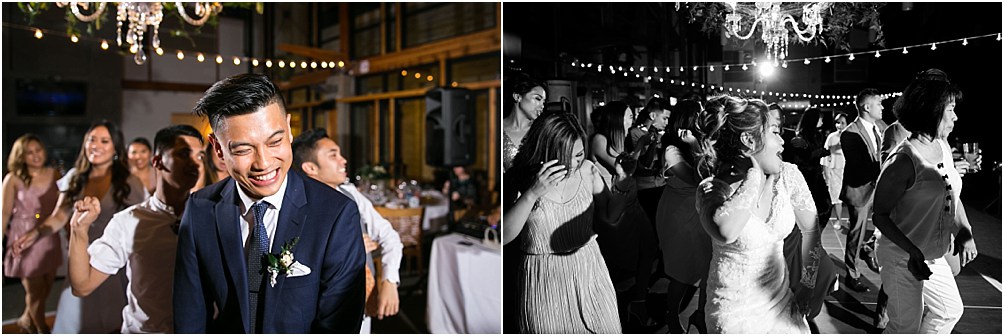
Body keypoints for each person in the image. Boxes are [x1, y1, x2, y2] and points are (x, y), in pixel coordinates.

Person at [173, 74, 365, 333]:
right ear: (218, 149)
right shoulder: (200, 209)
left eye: (275, 141)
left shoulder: (335, 214)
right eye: (243, 150)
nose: (263, 163)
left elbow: (339, 324)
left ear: (288, 128)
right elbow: (190, 317)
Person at [694, 96, 820, 333]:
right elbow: (726, 231)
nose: (783, 142)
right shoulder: (712, 189)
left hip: (782, 302)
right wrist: (755, 176)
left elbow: (811, 228)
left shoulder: (789, 176)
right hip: (734, 314)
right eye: (774, 132)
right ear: (748, 140)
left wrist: (808, 283)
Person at [503, 110, 634, 333]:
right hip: (544, 280)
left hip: (589, 270)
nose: (575, 162)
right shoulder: (521, 179)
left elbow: (610, 216)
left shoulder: (587, 171)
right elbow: (502, 236)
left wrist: (623, 181)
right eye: (569, 156)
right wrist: (532, 193)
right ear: (548, 151)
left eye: (580, 154)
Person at [66, 125, 204, 333]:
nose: (195, 163)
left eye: (200, 156)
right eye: (184, 154)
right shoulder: (127, 221)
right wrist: (79, 230)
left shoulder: (212, 216)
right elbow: (82, 285)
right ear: (157, 161)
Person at [13, 120, 147, 333]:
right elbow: (58, 216)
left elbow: (140, 226)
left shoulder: (130, 182)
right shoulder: (75, 177)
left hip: (114, 265)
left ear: (115, 148)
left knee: (112, 320)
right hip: (80, 257)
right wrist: (36, 233)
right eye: (92, 139)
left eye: (104, 141)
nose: (96, 145)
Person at [873, 68, 976, 333]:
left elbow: (950, 192)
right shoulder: (903, 160)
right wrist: (911, 250)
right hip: (901, 255)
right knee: (903, 326)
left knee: (948, 310)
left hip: (931, 253)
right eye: (950, 109)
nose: (955, 116)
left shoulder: (942, 146)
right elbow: (880, 215)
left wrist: (965, 231)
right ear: (932, 109)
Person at [291, 128, 403, 333]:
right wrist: (350, 247)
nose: (343, 160)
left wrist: (389, 280)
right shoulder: (297, 206)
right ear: (310, 168)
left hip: (360, 300)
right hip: (316, 311)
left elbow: (390, 237)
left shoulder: (351, 194)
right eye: (333, 155)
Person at [587, 101, 655, 331]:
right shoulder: (599, 139)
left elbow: (642, 165)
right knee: (619, 259)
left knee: (649, 248)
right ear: (617, 119)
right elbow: (625, 168)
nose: (632, 119)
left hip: (630, 201)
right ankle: (618, 309)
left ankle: (638, 300)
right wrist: (641, 145)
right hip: (612, 203)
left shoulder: (620, 141)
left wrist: (650, 147)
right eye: (628, 116)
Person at [655, 98, 711, 333]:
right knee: (683, 273)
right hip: (679, 216)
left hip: (699, 212)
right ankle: (671, 317)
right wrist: (697, 147)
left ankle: (700, 315)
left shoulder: (699, 143)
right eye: (699, 115)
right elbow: (699, 178)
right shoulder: (672, 150)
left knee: (709, 267)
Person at [783, 108, 839, 331]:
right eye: (819, 118)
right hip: (804, 189)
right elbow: (802, 160)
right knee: (804, 243)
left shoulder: (816, 136)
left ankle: (808, 276)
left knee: (814, 241)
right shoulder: (798, 139)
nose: (822, 122)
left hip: (816, 187)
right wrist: (816, 151)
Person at [3, 134, 62, 333]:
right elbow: (3, 213)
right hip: (22, 236)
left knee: (46, 286)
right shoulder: (12, 178)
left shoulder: (55, 174)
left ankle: (26, 320)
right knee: (34, 291)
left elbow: (63, 208)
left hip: (48, 234)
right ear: (21, 156)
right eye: (29, 152)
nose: (36, 155)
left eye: (38, 150)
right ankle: (42, 328)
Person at [840, 88, 888, 293]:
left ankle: (867, 249)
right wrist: (888, 166)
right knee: (855, 235)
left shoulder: (883, 127)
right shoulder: (849, 133)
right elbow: (860, 166)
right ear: (867, 107)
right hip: (860, 189)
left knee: (888, 227)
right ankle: (852, 275)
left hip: (881, 188)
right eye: (879, 104)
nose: (883, 107)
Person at [502, 76, 547, 172]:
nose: (542, 106)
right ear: (517, 97)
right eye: (538, 99)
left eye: (544, 102)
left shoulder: (543, 131)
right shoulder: (497, 128)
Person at [824, 113, 849, 229]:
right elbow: (825, 155)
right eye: (838, 122)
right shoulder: (831, 137)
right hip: (834, 171)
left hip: (848, 170)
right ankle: (839, 220)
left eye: (843, 123)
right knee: (836, 197)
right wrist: (826, 172)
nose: (840, 125)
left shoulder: (851, 136)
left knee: (850, 197)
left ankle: (851, 219)